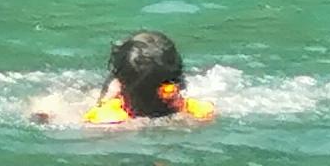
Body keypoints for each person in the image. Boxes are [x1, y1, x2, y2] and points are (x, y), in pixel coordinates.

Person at [30, 29, 215, 126]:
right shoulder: (199, 113)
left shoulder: (108, 121)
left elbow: (48, 119)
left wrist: (42, 114)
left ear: (119, 83)